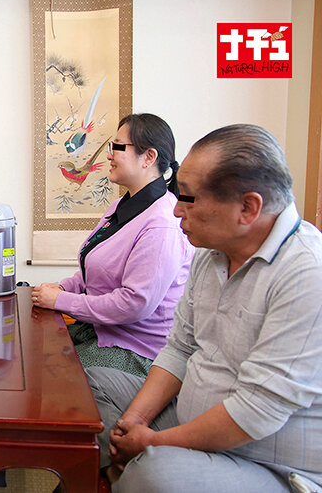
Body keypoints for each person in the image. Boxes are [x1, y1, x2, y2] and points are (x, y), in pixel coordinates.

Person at [87, 124, 322, 491]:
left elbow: (256, 411)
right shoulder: (210, 253)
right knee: (86, 386)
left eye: (189, 198)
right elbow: (180, 348)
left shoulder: (306, 273)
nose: (177, 210)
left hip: (264, 459)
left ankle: (130, 471)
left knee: (156, 474)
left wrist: (151, 442)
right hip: (189, 415)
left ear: (247, 207)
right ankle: (125, 470)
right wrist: (134, 420)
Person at [32, 114, 194, 378]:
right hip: (103, 330)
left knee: (53, 376)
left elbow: (134, 304)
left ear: (149, 157)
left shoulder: (162, 224)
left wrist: (61, 300)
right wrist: (64, 287)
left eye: (118, 147)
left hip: (139, 350)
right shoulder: (121, 206)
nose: (109, 155)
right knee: (32, 351)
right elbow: (95, 268)